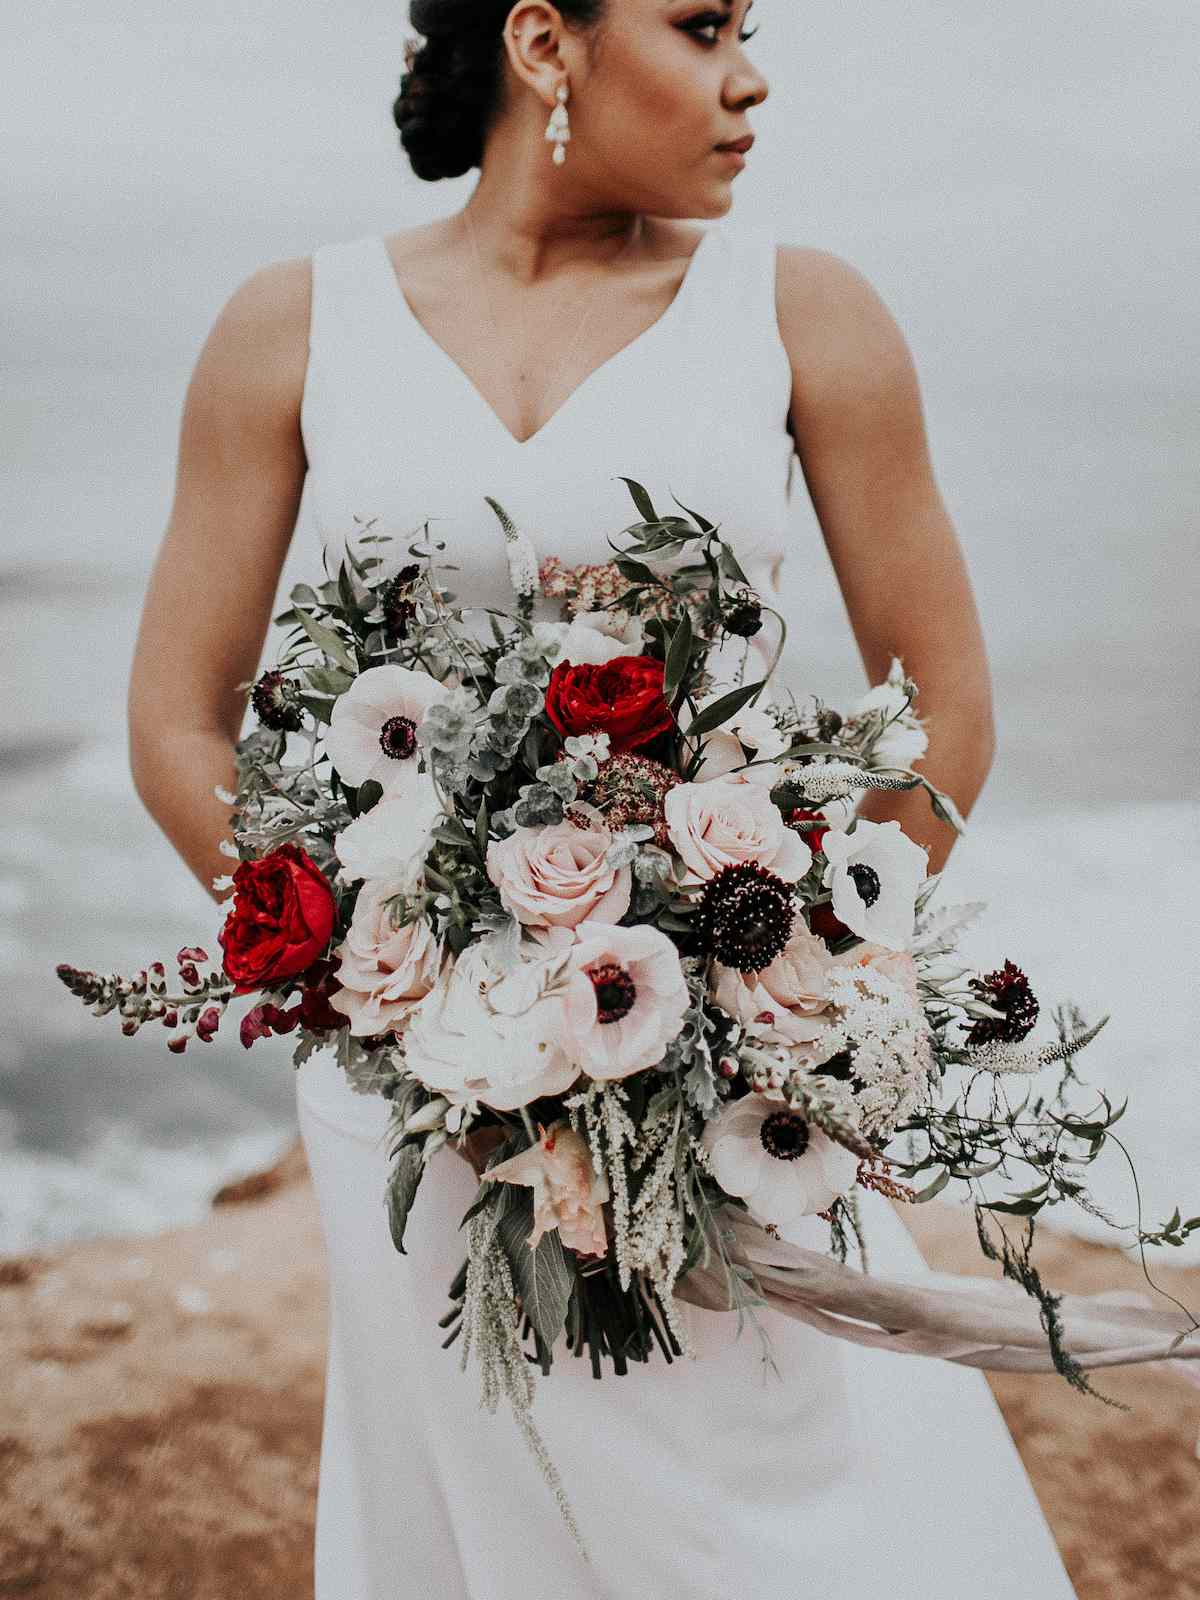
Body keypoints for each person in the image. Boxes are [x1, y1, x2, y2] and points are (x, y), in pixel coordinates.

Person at [126, 1, 1079, 1594]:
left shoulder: (806, 313)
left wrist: (797, 1006)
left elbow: (945, 717)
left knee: (781, 1503)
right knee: (476, 1502)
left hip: (714, 1079)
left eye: (747, 29)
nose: (749, 76)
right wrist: (375, 986)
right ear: (543, 43)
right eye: (702, 25)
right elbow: (175, 719)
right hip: (410, 1092)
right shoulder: (291, 325)